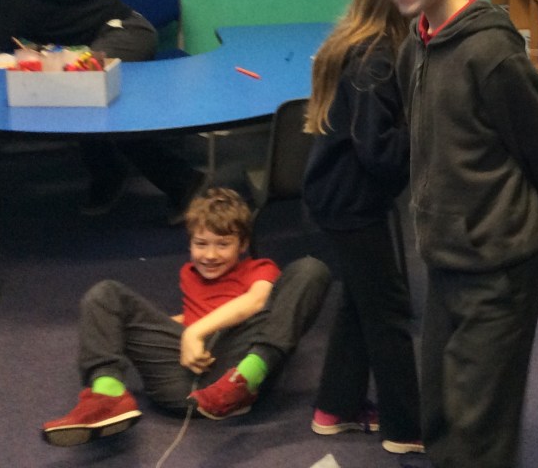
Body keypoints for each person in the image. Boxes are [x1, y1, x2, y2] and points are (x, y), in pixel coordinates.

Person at [365, 0, 538, 468]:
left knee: (482, 419)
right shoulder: (415, 45)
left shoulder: (489, 52)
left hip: (500, 264)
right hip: (445, 258)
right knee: (442, 408)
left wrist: (521, 228)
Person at [40, 187, 331, 447]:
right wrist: (146, 326)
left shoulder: (258, 268)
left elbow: (255, 301)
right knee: (105, 294)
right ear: (189, 243)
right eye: (201, 244)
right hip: (180, 382)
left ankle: (247, 377)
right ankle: (107, 396)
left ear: (243, 245)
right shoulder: (189, 274)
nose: (210, 255)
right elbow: (192, 316)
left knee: (310, 269)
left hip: (234, 365)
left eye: (223, 244)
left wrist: (195, 332)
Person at [0, 0, 206, 220]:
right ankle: (110, 173)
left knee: (92, 99)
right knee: (82, 104)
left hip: (126, 33)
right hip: (105, 36)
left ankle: (184, 182)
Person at [301, 0, 423, 454]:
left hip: (336, 195)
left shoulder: (355, 42)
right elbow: (380, 151)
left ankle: (336, 408)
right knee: (389, 311)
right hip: (351, 203)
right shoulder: (375, 58)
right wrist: (427, 128)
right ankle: (406, 429)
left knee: (360, 300)